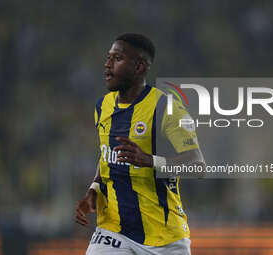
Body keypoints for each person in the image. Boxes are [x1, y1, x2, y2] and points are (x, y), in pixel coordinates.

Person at [76, 33, 205, 255]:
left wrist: (149, 160)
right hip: (113, 231)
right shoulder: (103, 107)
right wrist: (94, 189)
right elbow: (107, 156)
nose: (107, 65)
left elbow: (197, 166)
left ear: (139, 67)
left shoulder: (167, 108)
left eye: (117, 58)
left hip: (165, 238)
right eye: (108, 58)